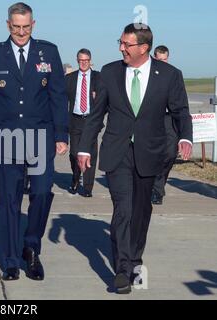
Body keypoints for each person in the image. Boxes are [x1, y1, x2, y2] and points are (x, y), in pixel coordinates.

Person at [78, 23, 192, 294]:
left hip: (150, 152)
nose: (121, 48)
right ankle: (122, 269)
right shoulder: (109, 72)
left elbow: (180, 110)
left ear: (144, 48)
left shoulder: (169, 75)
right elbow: (96, 116)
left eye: (126, 44)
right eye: (120, 42)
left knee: (141, 212)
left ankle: (135, 259)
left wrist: (185, 137)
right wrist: (84, 147)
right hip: (117, 152)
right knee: (123, 209)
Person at [0, 2, 68, 281]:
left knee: (41, 193)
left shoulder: (48, 52)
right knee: (9, 201)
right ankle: (12, 260)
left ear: (33, 25)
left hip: (41, 137)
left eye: (26, 27)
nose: (21, 32)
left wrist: (62, 135)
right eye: (16, 27)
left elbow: (58, 96)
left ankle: (31, 247)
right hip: (6, 137)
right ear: (8, 25)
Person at [65, 49, 101, 197]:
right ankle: (75, 177)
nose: (84, 63)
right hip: (75, 120)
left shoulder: (99, 78)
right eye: (81, 60)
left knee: (90, 154)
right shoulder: (70, 78)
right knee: (74, 153)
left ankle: (87, 187)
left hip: (91, 121)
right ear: (77, 60)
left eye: (86, 60)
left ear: (90, 60)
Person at [151, 45, 179, 205]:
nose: (162, 62)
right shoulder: (149, 75)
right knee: (153, 155)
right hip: (153, 118)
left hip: (169, 119)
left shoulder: (174, 74)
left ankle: (158, 185)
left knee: (169, 154)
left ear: (167, 58)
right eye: (158, 59)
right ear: (154, 58)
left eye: (164, 59)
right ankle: (156, 190)